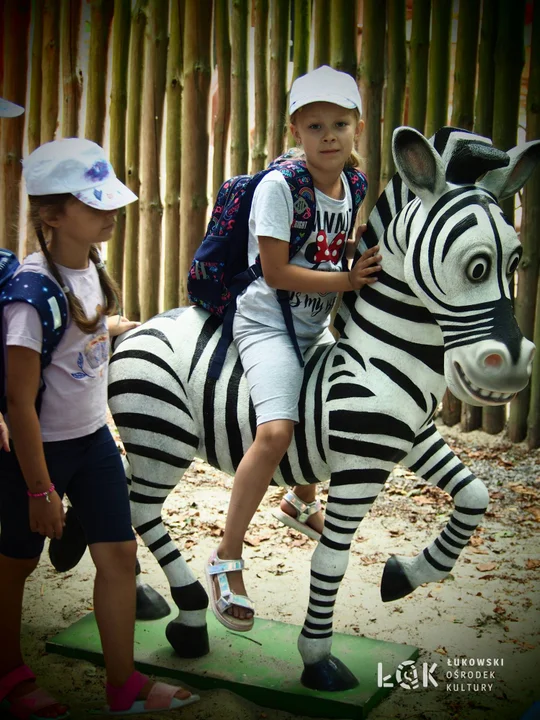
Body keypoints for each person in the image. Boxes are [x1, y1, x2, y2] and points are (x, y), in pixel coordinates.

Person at [0, 138, 199, 718]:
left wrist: (107, 327)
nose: (111, 213)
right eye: (95, 205)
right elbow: (17, 400)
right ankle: (9, 673)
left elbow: (75, 331)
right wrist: (39, 488)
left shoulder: (89, 265)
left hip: (92, 443)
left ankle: (123, 683)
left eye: (111, 201)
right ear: (52, 214)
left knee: (118, 555)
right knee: (15, 565)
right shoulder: (27, 298)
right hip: (36, 456)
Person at [206, 66, 382, 631]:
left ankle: (299, 501)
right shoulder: (279, 189)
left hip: (312, 321)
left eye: (339, 123)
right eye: (314, 126)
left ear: (357, 127)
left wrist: (357, 263)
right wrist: (349, 283)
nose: (328, 135)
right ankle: (225, 557)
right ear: (295, 130)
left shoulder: (353, 183)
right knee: (277, 431)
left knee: (332, 405)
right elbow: (278, 273)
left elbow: (335, 247)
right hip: (265, 322)